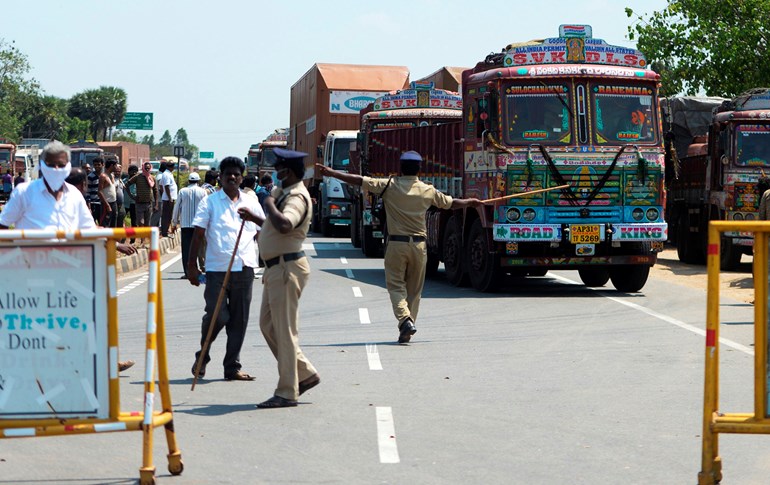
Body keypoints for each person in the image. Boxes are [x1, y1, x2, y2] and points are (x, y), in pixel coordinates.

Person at [317, 150, 483, 343]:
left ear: (400, 168)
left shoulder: (389, 185)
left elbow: (359, 180)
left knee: (395, 286)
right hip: (419, 247)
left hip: (396, 244)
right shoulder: (427, 190)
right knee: (414, 291)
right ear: (419, 169)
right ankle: (407, 325)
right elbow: (451, 203)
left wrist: (332, 173)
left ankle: (405, 320)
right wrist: (470, 203)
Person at [0, 142, 136, 372]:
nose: (56, 169)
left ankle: (104, 360)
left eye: (60, 165)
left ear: (67, 166)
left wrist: (115, 243)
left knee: (89, 317)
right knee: (31, 325)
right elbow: (3, 226)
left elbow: (89, 230)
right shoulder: (25, 193)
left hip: (70, 272)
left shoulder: (74, 196)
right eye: (51, 164)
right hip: (31, 273)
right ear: (42, 166)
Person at [239, 148, 319, 408]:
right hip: (275, 269)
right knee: (268, 325)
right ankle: (305, 374)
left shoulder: (296, 197)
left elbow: (285, 224)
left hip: (287, 268)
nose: (276, 173)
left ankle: (287, 391)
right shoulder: (282, 192)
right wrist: (255, 217)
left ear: (289, 171)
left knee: (285, 332)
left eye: (279, 169)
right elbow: (274, 225)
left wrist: (268, 204)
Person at [187, 156, 264, 382]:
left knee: (239, 321)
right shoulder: (209, 202)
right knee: (217, 316)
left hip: (245, 268)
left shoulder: (251, 202)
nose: (232, 177)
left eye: (236, 174)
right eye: (227, 174)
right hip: (217, 270)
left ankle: (232, 367)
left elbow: (263, 231)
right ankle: (203, 355)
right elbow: (198, 233)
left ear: (241, 178)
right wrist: (191, 266)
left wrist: (270, 263)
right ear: (220, 177)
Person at [172, 172, 208, 278]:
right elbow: (207, 207)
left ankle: (188, 272)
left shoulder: (182, 191)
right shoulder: (203, 192)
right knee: (198, 248)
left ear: (189, 181)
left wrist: (174, 223)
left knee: (186, 249)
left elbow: (176, 208)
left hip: (185, 225)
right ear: (198, 181)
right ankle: (198, 269)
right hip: (199, 225)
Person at [158, 161, 178, 237]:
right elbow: (166, 186)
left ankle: (166, 230)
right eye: (172, 166)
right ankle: (164, 232)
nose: (173, 168)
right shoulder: (166, 174)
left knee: (169, 215)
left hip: (169, 197)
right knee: (167, 215)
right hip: (168, 199)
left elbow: (161, 185)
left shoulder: (169, 173)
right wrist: (169, 198)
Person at [123, 165, 138, 239]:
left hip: (134, 203)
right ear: (129, 172)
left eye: (135, 172)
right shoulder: (124, 181)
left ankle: (133, 238)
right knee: (121, 220)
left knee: (134, 221)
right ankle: (122, 236)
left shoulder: (138, 181)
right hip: (125, 203)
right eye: (132, 172)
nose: (134, 173)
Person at [87, 157, 103, 224]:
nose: (97, 166)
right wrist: (89, 207)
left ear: (102, 165)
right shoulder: (90, 177)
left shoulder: (104, 176)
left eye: (98, 164)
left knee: (103, 223)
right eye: (95, 165)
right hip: (94, 204)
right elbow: (88, 192)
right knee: (92, 223)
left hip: (103, 203)